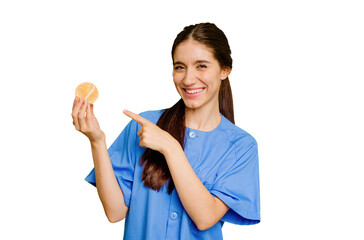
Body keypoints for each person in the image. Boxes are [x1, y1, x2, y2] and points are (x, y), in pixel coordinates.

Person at [72, 22, 261, 240]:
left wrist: (170, 147)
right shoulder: (144, 126)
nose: (188, 79)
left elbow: (205, 217)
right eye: (180, 67)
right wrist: (97, 141)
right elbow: (115, 212)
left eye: (201, 66)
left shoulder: (241, 146)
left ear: (224, 70)